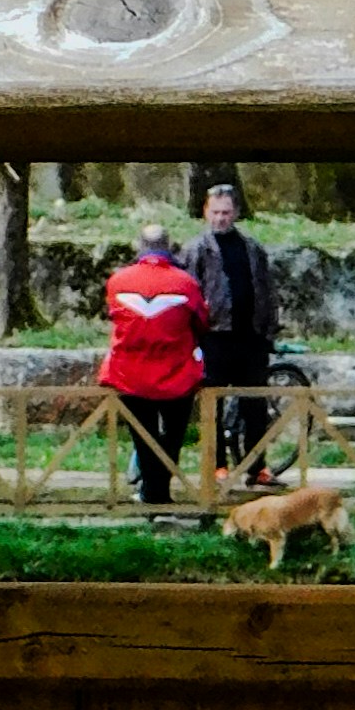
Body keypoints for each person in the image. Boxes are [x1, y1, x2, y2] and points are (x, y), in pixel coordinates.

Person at [97, 217, 208, 508]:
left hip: (129, 374)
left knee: (142, 434)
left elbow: (114, 316)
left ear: (139, 247)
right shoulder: (186, 284)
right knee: (172, 436)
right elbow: (202, 322)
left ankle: (151, 493)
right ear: (169, 248)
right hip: (177, 374)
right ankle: (160, 492)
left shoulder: (118, 281)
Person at [187, 175, 278, 481]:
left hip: (250, 338)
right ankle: (217, 466)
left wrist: (267, 333)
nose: (221, 218)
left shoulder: (253, 248)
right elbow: (190, 292)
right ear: (205, 212)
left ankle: (257, 465)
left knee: (255, 405)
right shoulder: (197, 249)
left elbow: (267, 291)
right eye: (215, 212)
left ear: (236, 213)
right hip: (214, 338)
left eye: (226, 212)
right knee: (213, 403)